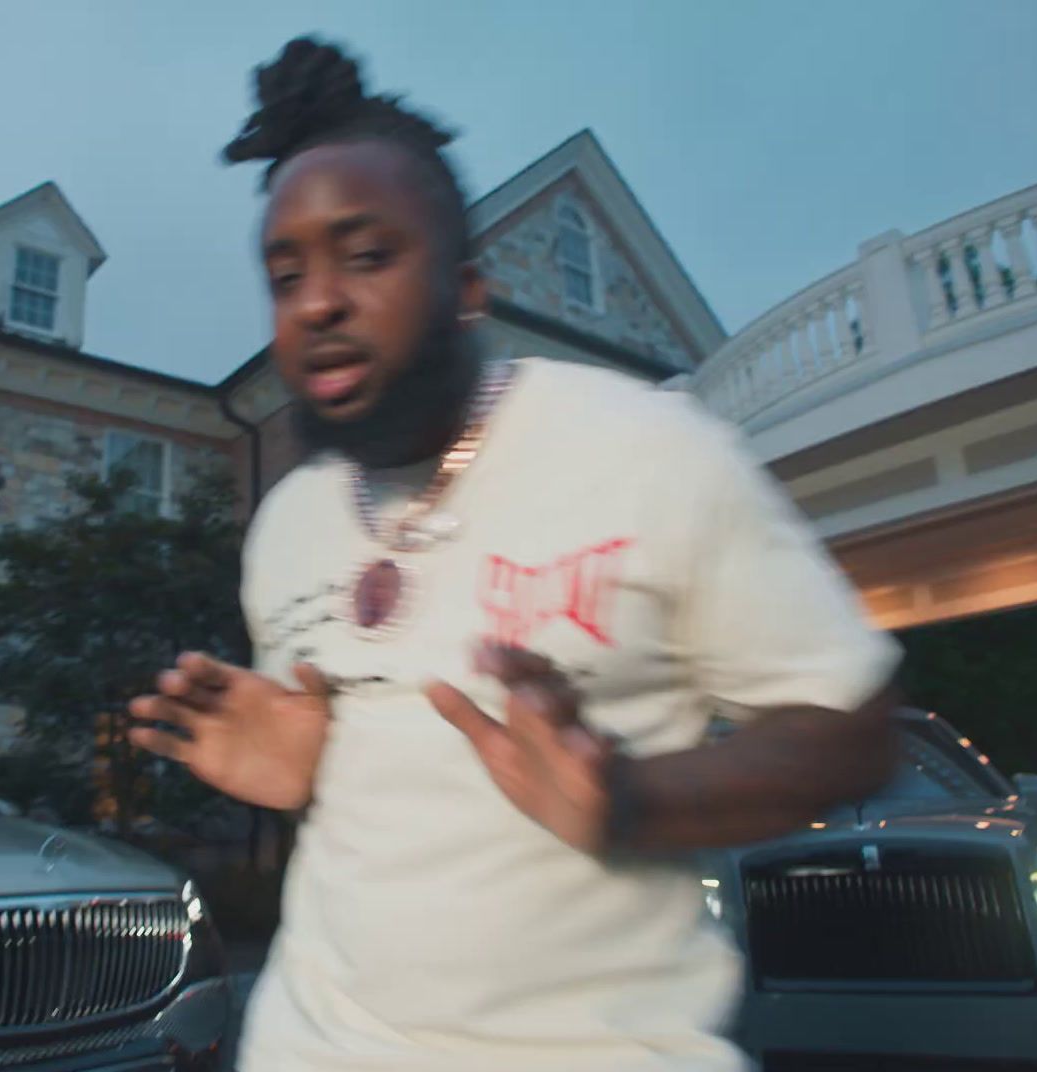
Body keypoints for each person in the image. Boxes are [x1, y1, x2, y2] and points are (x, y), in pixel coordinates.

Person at [130, 37, 900, 1072]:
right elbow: (381, 804)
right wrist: (303, 768)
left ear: (467, 289)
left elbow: (851, 728)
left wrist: (630, 799)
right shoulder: (288, 525)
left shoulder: (649, 449)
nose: (316, 302)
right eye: (285, 273)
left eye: (367, 256)